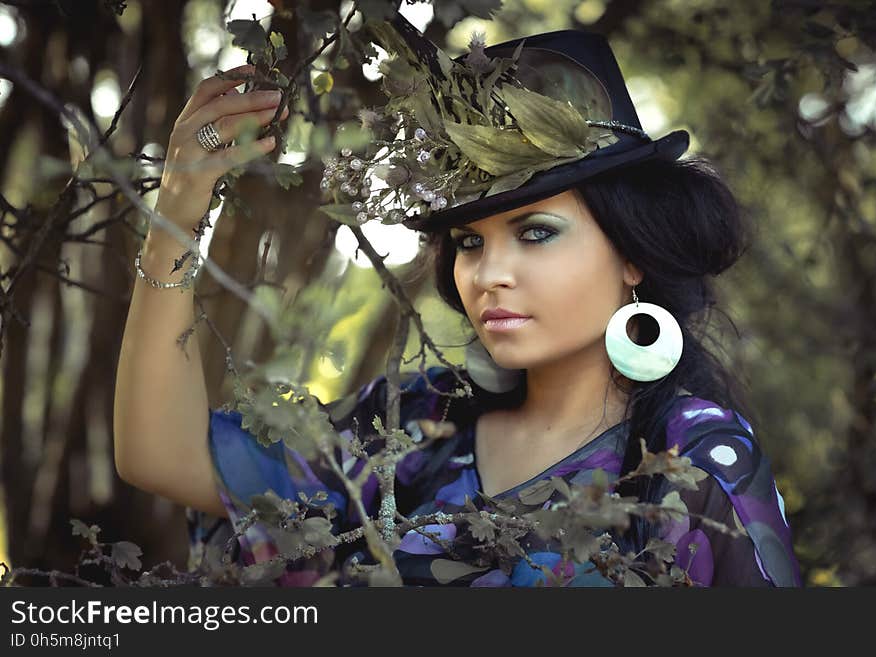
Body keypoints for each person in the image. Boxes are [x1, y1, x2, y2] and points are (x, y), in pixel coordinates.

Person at [114, 13, 802, 587]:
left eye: (535, 232)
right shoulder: (415, 427)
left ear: (631, 254)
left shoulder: (695, 455)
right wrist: (177, 207)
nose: (487, 274)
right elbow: (161, 454)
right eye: (469, 241)